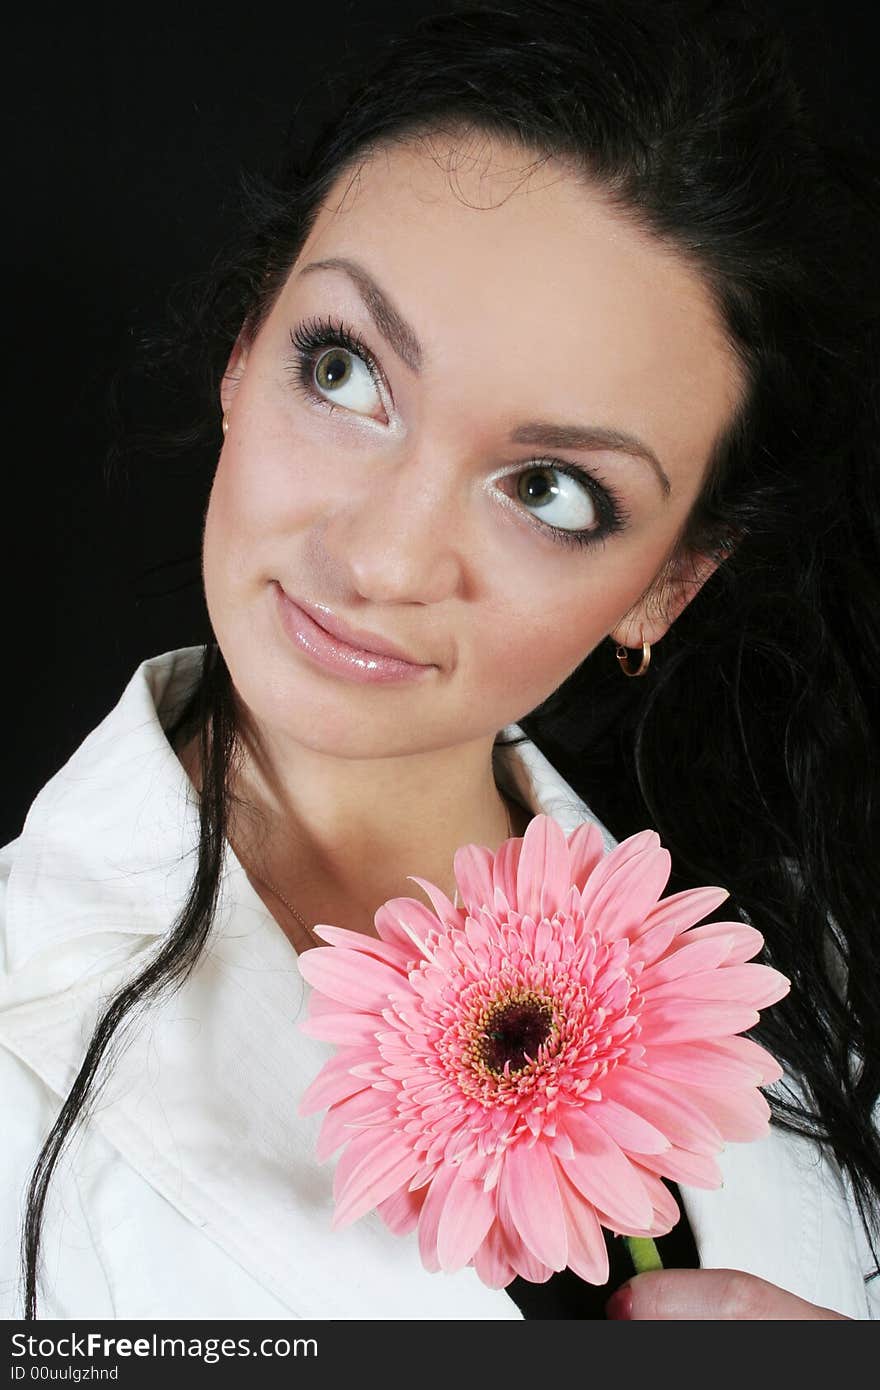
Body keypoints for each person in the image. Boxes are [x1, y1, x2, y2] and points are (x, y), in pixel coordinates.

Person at [1, 0, 878, 1321]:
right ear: (247, 350)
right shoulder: (23, 1028)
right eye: (344, 370)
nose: (385, 557)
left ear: (669, 581)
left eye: (549, 486)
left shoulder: (812, 950)